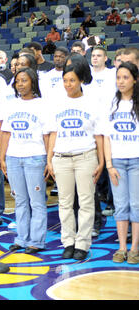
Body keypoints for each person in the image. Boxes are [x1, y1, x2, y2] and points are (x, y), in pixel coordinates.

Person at [46, 58, 104, 260]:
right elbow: (53, 132)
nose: (68, 84)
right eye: (65, 80)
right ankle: (68, 241)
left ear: (80, 80)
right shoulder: (57, 102)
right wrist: (49, 158)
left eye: (72, 80)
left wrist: (102, 161)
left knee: (86, 202)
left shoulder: (91, 102)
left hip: (85, 157)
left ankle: (82, 243)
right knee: (64, 203)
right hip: (61, 158)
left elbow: (99, 135)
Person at [0, 67, 51, 254]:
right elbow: (6, 132)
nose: (20, 84)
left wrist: (48, 159)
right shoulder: (11, 104)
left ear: (33, 82)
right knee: (20, 200)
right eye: (17, 81)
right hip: (13, 157)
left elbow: (47, 135)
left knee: (36, 201)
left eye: (24, 80)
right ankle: (21, 238)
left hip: (35, 157)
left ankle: (36, 241)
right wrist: (2, 157)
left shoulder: (42, 104)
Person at [103, 62, 139, 264]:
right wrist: (109, 164)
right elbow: (107, 137)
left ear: (135, 79)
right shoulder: (111, 104)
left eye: (126, 77)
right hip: (116, 162)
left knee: (136, 204)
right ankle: (122, 247)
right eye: (118, 77)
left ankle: (134, 247)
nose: (121, 81)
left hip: (136, 161)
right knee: (120, 205)